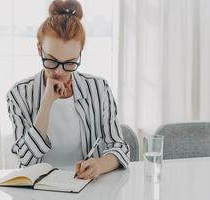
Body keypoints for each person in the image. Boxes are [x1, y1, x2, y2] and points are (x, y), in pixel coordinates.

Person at [7, 0, 130, 180]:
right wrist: (46, 103)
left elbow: (120, 147)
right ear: (39, 49)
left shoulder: (99, 88)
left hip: (85, 186)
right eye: (51, 60)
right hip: (38, 188)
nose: (60, 71)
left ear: (80, 55)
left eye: (70, 63)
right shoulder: (18, 94)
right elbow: (25, 160)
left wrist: (99, 165)